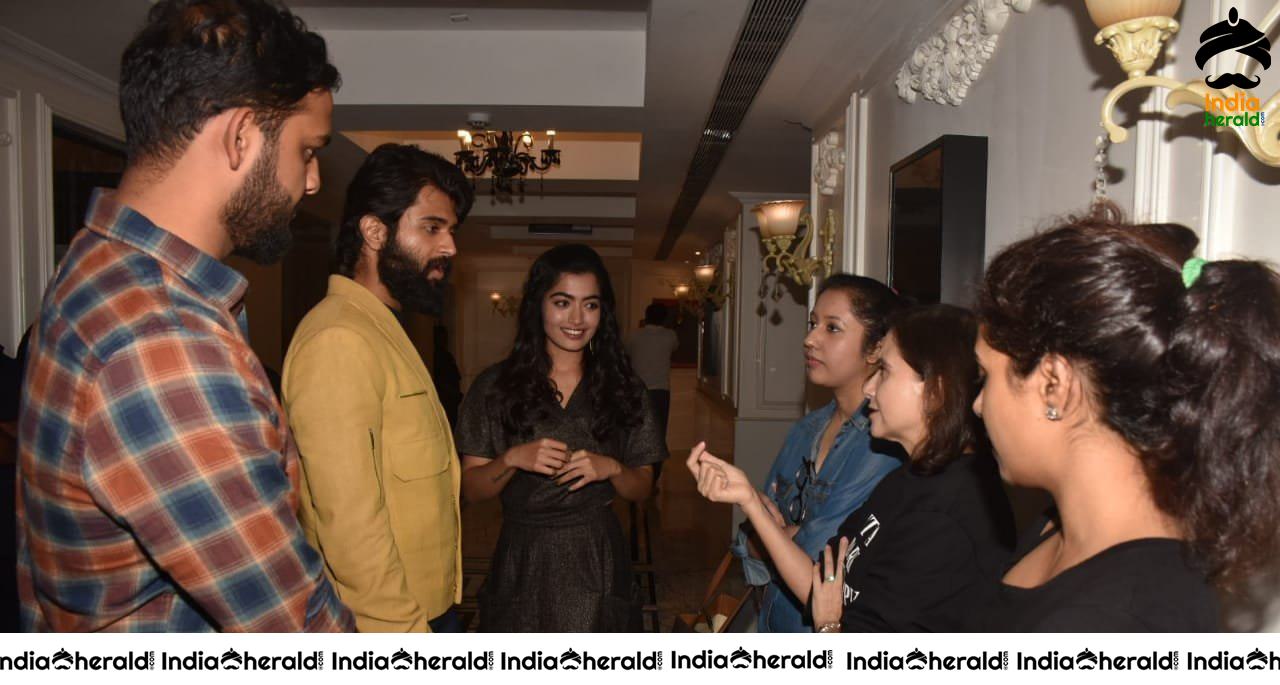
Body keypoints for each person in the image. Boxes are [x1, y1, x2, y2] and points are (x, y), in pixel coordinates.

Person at [15, 0, 352, 632]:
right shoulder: (163, 342)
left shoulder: (98, 267)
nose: (311, 183)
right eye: (308, 150)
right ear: (241, 136)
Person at [971, 215, 1280, 631]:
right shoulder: (1058, 528)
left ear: (1054, 386)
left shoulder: (1121, 620)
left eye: (986, 376)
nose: (977, 405)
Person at [692, 304, 1014, 632]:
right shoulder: (907, 479)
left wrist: (829, 627)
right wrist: (749, 500)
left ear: (935, 390)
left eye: (885, 371)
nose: (869, 388)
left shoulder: (945, 513)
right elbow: (821, 582)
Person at [282, 144, 473, 632]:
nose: (450, 247)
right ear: (374, 231)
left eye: (451, 230)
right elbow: (349, 527)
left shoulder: (380, 327)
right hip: (390, 624)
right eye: (432, 228)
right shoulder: (339, 339)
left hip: (423, 608)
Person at [455, 244, 666, 631]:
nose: (577, 318)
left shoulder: (625, 388)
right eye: (562, 302)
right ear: (538, 306)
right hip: (523, 556)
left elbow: (642, 489)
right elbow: (471, 489)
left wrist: (613, 468)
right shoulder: (494, 386)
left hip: (597, 556)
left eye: (590, 305)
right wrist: (512, 459)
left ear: (604, 312)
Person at [727, 274, 905, 632]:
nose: (809, 339)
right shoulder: (806, 429)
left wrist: (781, 535)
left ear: (875, 348)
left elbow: (821, 561)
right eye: (812, 324)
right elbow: (750, 537)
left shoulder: (883, 444)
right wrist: (777, 536)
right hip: (775, 618)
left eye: (832, 328)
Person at [626, 303, 679, 452]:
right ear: (664, 318)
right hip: (660, 390)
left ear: (646, 316)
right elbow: (675, 347)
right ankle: (657, 467)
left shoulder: (634, 335)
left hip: (637, 389)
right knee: (659, 430)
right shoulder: (670, 335)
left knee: (637, 429)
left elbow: (625, 352)